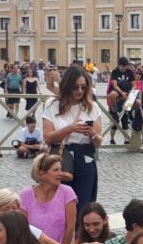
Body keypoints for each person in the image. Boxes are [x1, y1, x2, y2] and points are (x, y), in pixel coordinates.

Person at [42, 65, 102, 212]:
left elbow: (99, 142)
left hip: (85, 158)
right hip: (61, 158)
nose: (80, 91)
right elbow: (47, 137)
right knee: (59, 206)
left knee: (83, 207)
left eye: (83, 87)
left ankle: (79, 235)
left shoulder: (92, 107)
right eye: (75, 87)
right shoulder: (52, 105)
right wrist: (70, 128)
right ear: (67, 86)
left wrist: (92, 133)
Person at [19, 153, 77, 244]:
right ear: (42, 174)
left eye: (61, 169)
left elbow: (70, 228)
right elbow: (22, 228)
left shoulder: (67, 193)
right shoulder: (25, 195)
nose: (61, 173)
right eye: (56, 170)